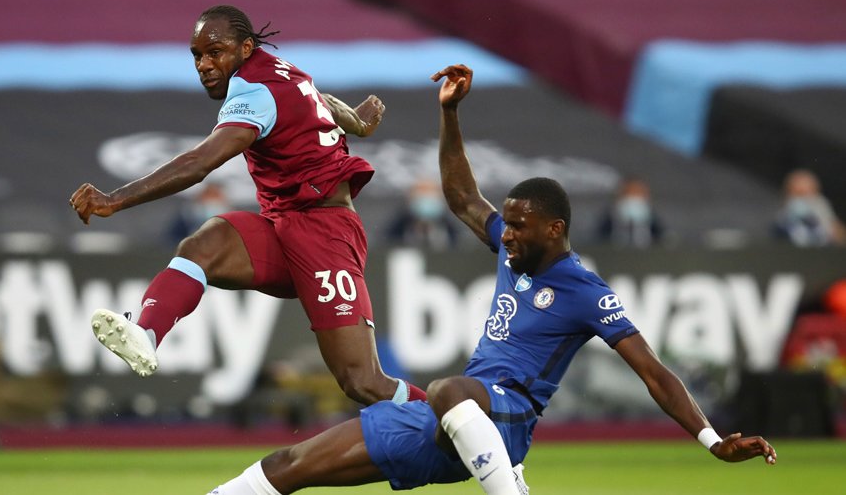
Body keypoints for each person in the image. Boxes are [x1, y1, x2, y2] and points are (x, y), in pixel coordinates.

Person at [205, 64, 777, 495]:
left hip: (506, 418)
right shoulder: (515, 251)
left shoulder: (585, 290)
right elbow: (460, 197)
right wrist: (450, 113)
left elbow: (653, 373)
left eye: (518, 228)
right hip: (452, 422)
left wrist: (713, 440)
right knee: (287, 467)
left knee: (449, 387)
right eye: (506, 227)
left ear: (555, 229)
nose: (504, 235)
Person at [69, 5, 425, 405]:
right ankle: (147, 333)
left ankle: (463, 424)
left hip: (326, 234)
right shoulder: (280, 72)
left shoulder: (254, 91)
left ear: (245, 48)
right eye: (197, 55)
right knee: (204, 245)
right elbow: (318, 98)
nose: (204, 64)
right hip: (284, 225)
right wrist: (356, 122)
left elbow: (199, 163)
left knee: (364, 383)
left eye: (214, 52)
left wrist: (114, 200)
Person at [773, 168, 845, 247]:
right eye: (798, 193)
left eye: (807, 193)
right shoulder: (786, 212)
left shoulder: (820, 205)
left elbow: (834, 227)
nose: (803, 198)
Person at [385, 177, 460, 250]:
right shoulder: (397, 229)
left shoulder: (452, 230)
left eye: (431, 199)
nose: (426, 203)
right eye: (421, 197)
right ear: (410, 201)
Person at [596, 176, 666, 248]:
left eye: (637, 193)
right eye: (628, 193)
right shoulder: (607, 223)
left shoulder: (655, 224)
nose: (633, 199)